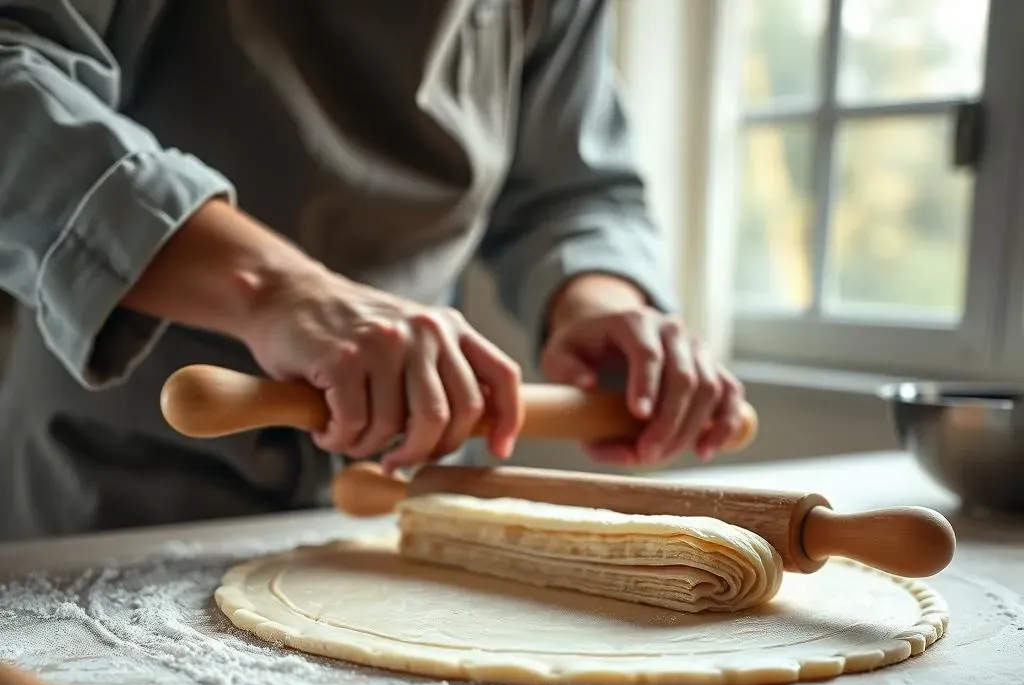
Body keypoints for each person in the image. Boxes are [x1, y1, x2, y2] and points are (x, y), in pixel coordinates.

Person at [0, 0, 745, 543]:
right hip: (112, 485)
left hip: (413, 486)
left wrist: (599, 299)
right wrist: (277, 292)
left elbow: (571, 191)